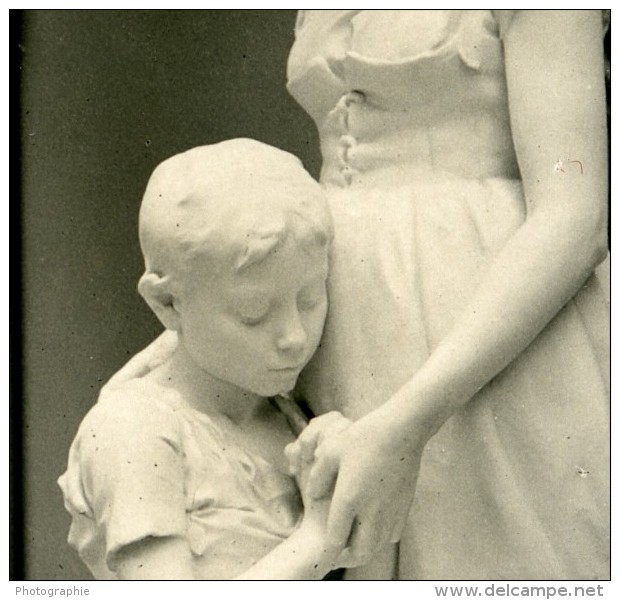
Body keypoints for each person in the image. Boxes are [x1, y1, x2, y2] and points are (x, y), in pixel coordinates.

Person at [106, 10, 611, 580]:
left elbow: (577, 218)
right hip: (334, 321)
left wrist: (407, 422)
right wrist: (195, 336)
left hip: (481, 326)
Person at [57, 139, 355, 580]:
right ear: (167, 304)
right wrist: (317, 540)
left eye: (310, 297)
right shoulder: (135, 431)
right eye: (254, 314)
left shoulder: (288, 414)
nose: (294, 337)